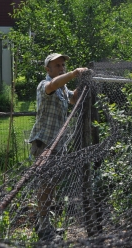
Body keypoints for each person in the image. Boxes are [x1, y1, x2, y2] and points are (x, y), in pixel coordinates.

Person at [28, 53, 87, 241]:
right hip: (44, 144)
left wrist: (84, 83)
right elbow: (52, 86)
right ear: (48, 69)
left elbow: (73, 98)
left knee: (51, 186)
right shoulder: (44, 85)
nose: (62, 68)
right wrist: (73, 73)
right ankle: (43, 227)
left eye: (63, 65)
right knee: (45, 186)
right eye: (58, 65)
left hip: (57, 145)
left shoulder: (63, 88)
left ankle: (43, 223)